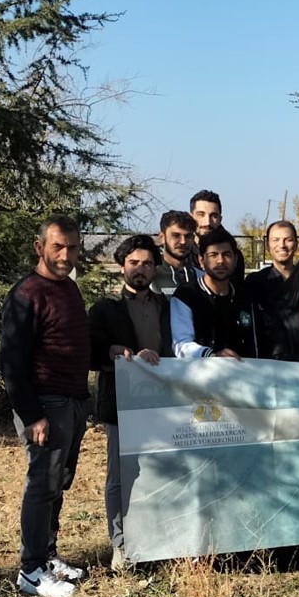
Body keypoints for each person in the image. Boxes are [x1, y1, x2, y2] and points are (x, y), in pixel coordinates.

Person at [0, 214, 91, 597]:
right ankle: (31, 570)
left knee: (58, 483)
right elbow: (12, 362)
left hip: (73, 402)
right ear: (40, 248)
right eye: (57, 246)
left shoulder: (69, 288)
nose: (65, 255)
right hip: (45, 405)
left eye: (72, 247)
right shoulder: (26, 295)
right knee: (42, 485)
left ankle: (48, 556)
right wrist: (32, 415)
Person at [88, 234, 174, 569]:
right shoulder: (105, 309)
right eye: (134, 263)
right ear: (121, 265)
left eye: (148, 264)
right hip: (121, 405)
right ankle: (120, 545)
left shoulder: (168, 307)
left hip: (164, 405)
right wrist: (114, 351)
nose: (140, 269)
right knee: (122, 476)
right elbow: (91, 352)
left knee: (163, 472)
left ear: (156, 268)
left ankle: (159, 539)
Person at [170, 227, 258, 359]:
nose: (220, 261)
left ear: (235, 260)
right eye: (213, 255)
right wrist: (212, 356)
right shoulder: (186, 296)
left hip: (243, 370)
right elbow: (181, 344)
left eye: (226, 255)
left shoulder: (244, 296)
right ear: (201, 260)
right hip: (200, 370)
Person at [242, 219, 298, 355]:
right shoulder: (254, 282)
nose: (282, 245)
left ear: (296, 244)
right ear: (268, 245)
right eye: (275, 240)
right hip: (266, 359)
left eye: (288, 240)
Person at [154, 209, 197, 294]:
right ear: (162, 237)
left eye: (188, 236)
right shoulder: (151, 276)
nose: (183, 242)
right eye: (176, 235)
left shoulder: (200, 276)